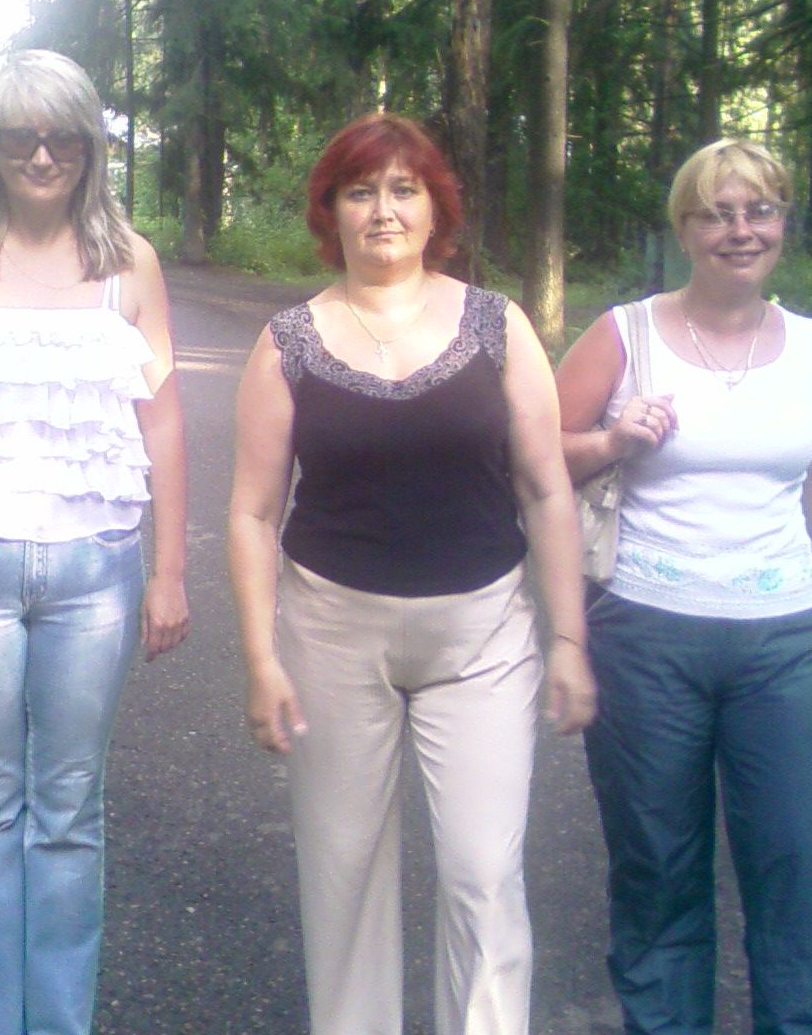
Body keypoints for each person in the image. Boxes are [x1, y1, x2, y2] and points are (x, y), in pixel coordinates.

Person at [227, 112, 595, 1035]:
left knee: (484, 875)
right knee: (343, 876)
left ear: (436, 209)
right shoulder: (288, 342)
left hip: (483, 637)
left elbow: (547, 487)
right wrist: (261, 660)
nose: (383, 210)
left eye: (404, 189)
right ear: (332, 212)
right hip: (331, 636)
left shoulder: (498, 326)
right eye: (361, 191)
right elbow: (252, 513)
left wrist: (568, 639)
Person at [0, 49, 189, 1035]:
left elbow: (163, 422)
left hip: (96, 576)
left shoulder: (129, 263)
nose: (43, 155)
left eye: (63, 138)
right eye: (21, 136)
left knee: (66, 809)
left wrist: (170, 572)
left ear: (90, 148)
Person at [554, 137, 812, 1035]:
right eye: (717, 214)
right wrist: (612, 441)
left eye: (760, 210)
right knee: (658, 865)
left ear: (782, 223)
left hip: (785, 641)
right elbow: (536, 460)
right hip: (646, 637)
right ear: (684, 229)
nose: (741, 230)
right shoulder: (625, 334)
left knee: (802, 864)